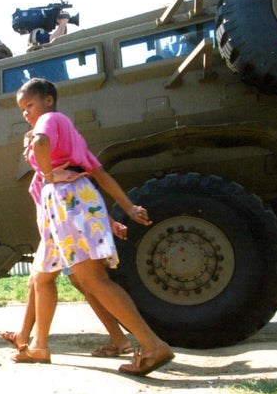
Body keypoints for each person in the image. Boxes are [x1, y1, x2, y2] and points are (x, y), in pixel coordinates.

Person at [14, 77, 174, 375]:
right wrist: (127, 207)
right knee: (41, 277)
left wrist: (47, 174)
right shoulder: (72, 135)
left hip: (65, 202)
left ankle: (152, 346)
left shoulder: (49, 119)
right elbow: (100, 174)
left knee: (94, 281)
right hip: (66, 207)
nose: (26, 113)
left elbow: (39, 142)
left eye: (30, 105)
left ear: (48, 100)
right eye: (22, 109)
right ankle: (38, 347)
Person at [0, 220, 134, 358]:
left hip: (62, 221)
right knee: (65, 280)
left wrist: (117, 215)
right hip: (61, 220)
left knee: (47, 279)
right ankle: (26, 338)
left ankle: (147, 343)